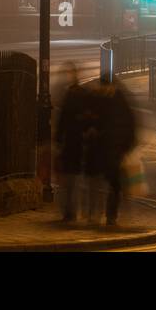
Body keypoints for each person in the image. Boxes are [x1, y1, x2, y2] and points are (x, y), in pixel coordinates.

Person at [54, 62, 99, 223]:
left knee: (73, 181)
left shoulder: (76, 94)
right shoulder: (71, 93)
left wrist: (59, 139)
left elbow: (65, 120)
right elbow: (63, 120)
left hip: (77, 143)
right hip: (74, 144)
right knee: (71, 181)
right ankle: (72, 212)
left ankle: (72, 212)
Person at [89, 76, 137, 226]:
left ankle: (111, 216)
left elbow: (130, 124)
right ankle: (97, 214)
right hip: (102, 150)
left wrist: (126, 146)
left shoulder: (119, 101)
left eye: (104, 87)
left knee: (114, 184)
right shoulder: (100, 100)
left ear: (110, 86)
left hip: (116, 150)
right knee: (100, 183)